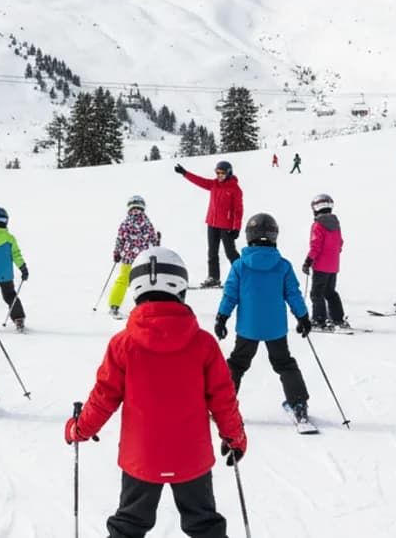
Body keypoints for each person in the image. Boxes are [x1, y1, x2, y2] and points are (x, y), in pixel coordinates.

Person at [65, 247, 246, 538]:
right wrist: (234, 436)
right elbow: (223, 399)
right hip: (191, 457)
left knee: (128, 526)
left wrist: (80, 429)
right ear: (181, 289)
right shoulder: (203, 344)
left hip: (142, 457)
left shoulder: (123, 344)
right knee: (205, 526)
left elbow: (104, 397)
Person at [215, 213, 313, 421]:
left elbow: (230, 295)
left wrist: (222, 318)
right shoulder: (283, 265)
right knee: (284, 363)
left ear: (249, 235)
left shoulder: (240, 266)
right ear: (274, 235)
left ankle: (223, 406)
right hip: (275, 328)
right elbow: (293, 294)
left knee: (237, 364)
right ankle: (298, 404)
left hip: (248, 328)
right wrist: (303, 317)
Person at [174, 160, 243, 288]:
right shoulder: (214, 184)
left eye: (222, 173)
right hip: (212, 224)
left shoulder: (235, 189)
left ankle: (243, 276)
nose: (219, 175)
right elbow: (200, 181)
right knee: (212, 252)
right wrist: (185, 173)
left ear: (229, 173)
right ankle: (213, 278)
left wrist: (236, 228)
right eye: (217, 172)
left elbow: (238, 210)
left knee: (230, 253)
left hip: (226, 226)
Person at [107, 195, 161, 319]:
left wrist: (117, 253)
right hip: (143, 259)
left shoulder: (126, 223)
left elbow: (120, 240)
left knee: (123, 280)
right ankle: (146, 306)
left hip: (129, 257)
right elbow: (153, 241)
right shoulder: (147, 223)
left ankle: (114, 305)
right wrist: (157, 241)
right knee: (144, 281)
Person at [301, 194, 346, 329]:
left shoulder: (318, 225)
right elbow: (340, 243)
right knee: (330, 292)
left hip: (321, 266)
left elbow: (316, 246)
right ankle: (338, 319)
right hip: (333, 266)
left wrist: (308, 262)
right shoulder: (336, 225)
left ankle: (319, 320)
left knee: (316, 294)